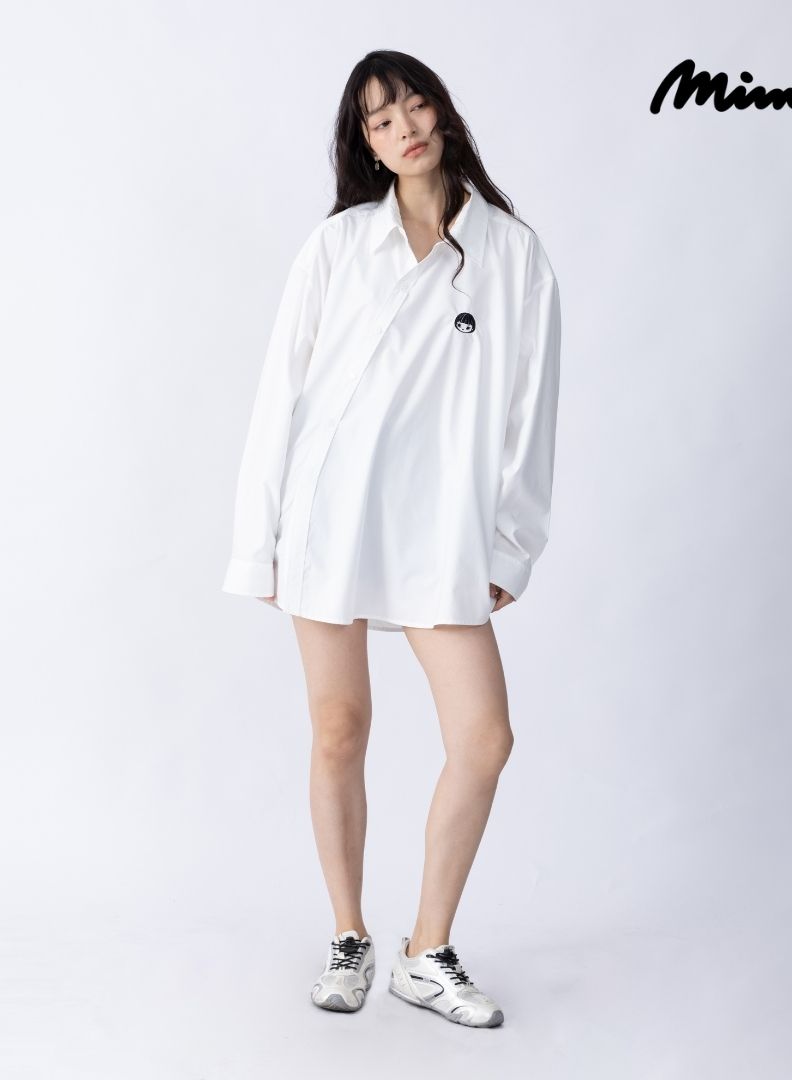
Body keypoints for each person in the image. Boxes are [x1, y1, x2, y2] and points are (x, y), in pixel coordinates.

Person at [221, 50, 561, 1029]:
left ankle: (428, 950)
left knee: (484, 740)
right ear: (364, 144)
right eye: (379, 120)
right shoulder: (339, 245)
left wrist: (511, 544)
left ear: (441, 112)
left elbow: (532, 409)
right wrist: (259, 539)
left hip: (441, 529)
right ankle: (349, 934)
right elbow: (281, 392)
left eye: (414, 105)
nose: (403, 127)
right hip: (328, 515)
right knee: (339, 727)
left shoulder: (511, 253)